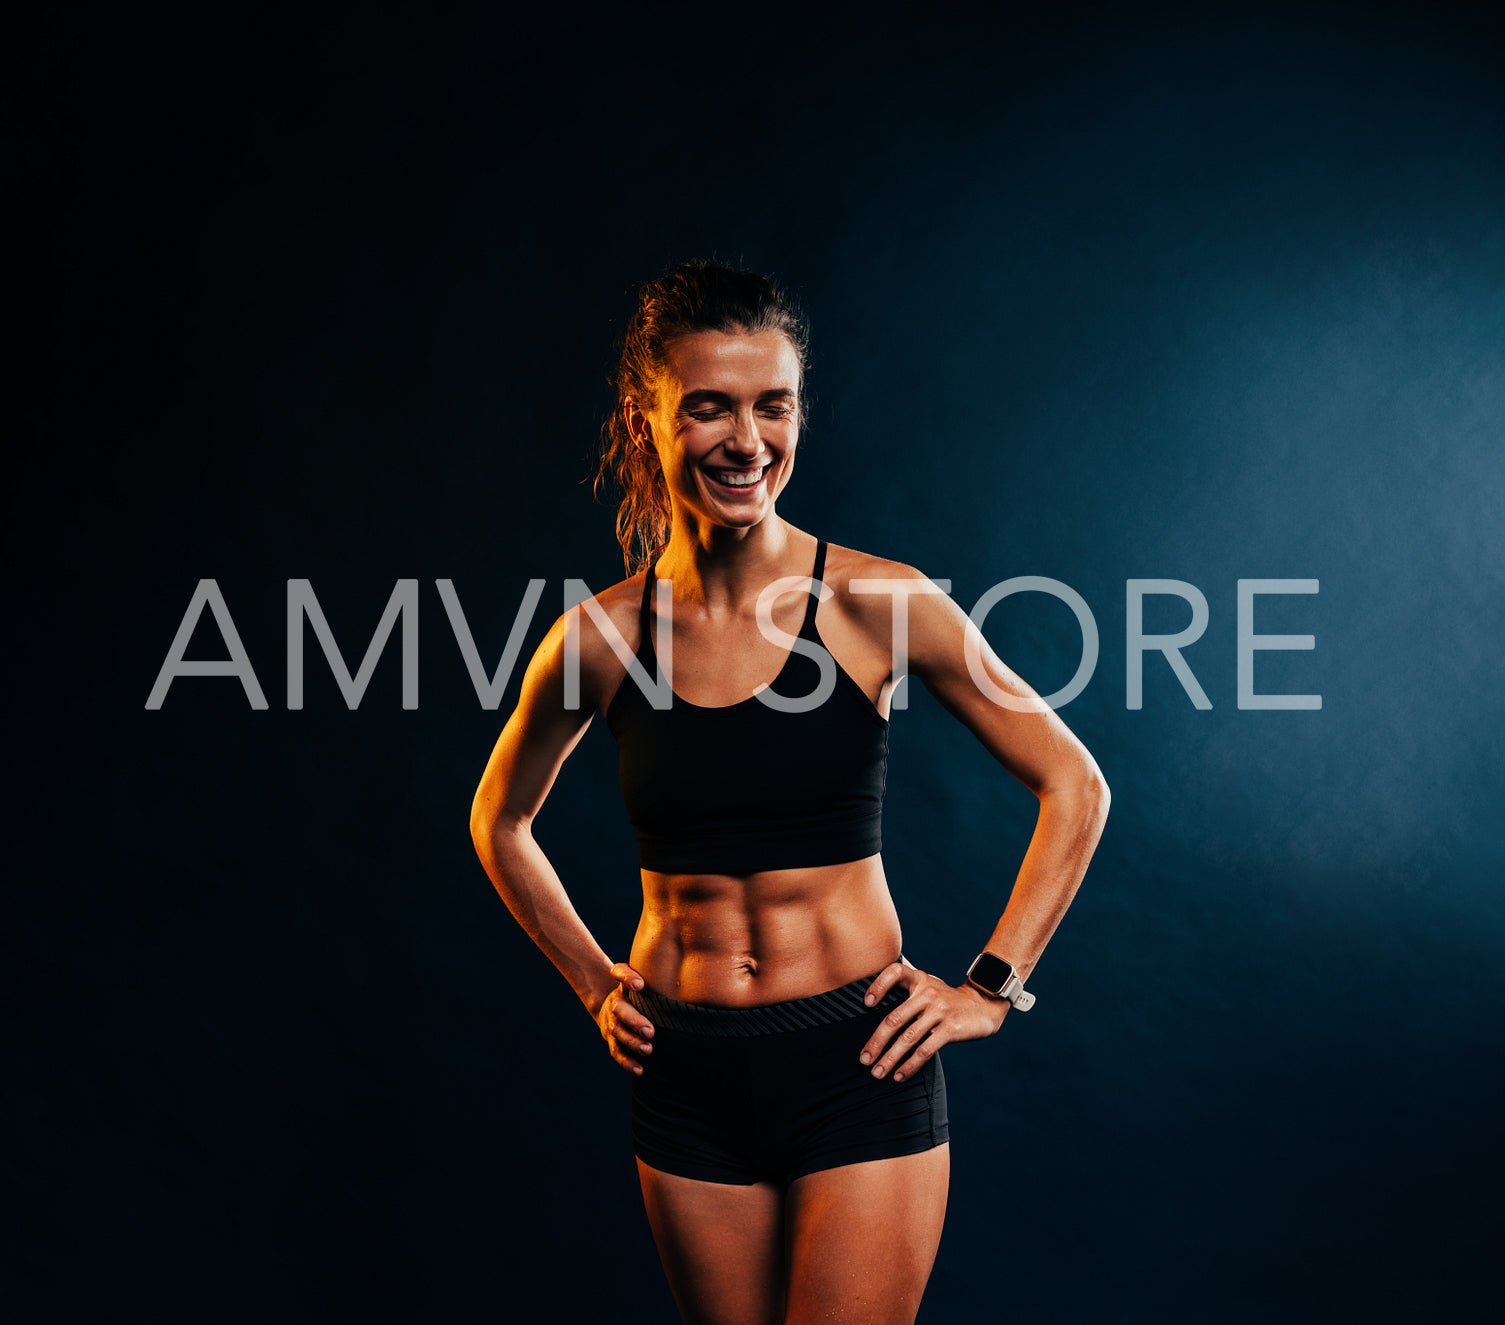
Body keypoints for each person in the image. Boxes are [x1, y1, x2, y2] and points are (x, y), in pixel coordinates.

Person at [469, 260, 1109, 1325]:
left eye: (773, 405)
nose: (747, 440)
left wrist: (990, 987)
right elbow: (500, 819)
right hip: (684, 1074)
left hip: (854, 1061)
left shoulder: (874, 602)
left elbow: (1071, 783)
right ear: (648, 419)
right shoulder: (601, 638)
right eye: (709, 407)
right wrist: (592, 982)